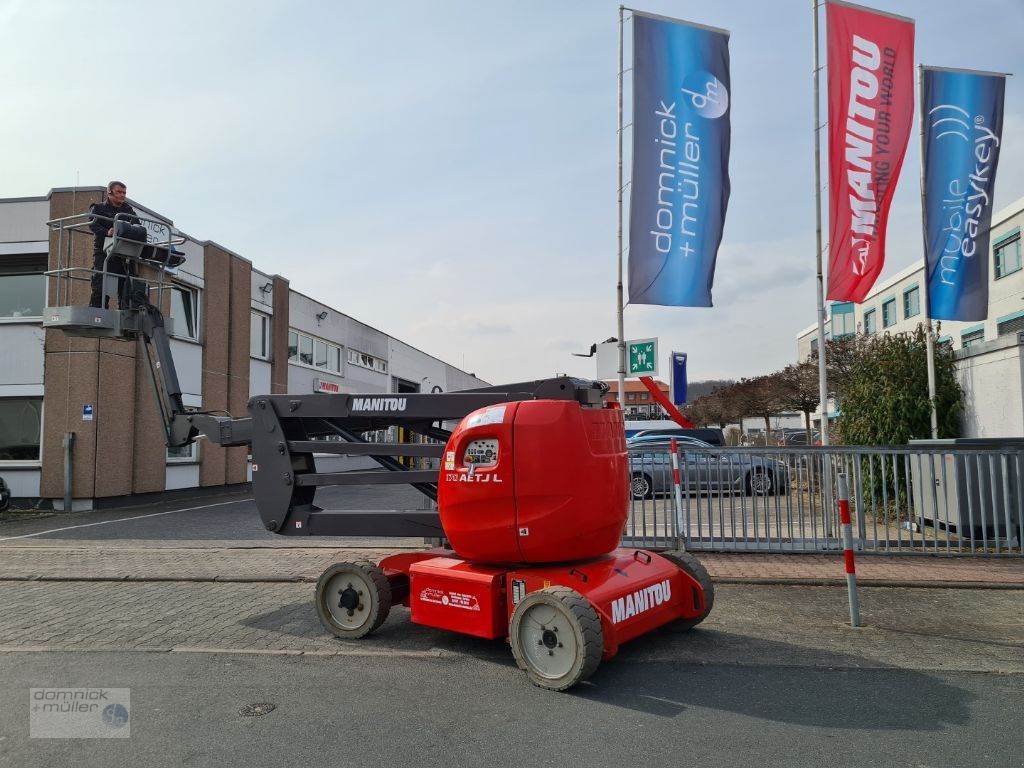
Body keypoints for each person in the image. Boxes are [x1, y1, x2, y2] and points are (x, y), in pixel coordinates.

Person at [87, 180, 139, 308]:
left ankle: (126, 315)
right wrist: (107, 232)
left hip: (124, 254)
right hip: (104, 252)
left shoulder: (128, 210)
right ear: (109, 193)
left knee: (128, 286)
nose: (122, 195)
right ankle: (97, 313)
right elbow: (93, 225)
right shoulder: (98, 208)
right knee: (101, 284)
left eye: (124, 192)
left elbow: (138, 226)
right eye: (119, 192)